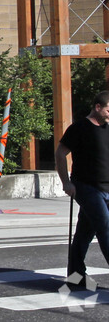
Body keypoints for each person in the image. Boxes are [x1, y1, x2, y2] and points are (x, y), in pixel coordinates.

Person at [55, 89, 109, 291]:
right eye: (108, 110)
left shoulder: (108, 128)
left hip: (107, 187)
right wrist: (66, 182)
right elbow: (60, 153)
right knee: (105, 226)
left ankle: (76, 275)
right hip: (87, 187)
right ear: (97, 107)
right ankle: (76, 275)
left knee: (85, 232)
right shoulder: (79, 128)